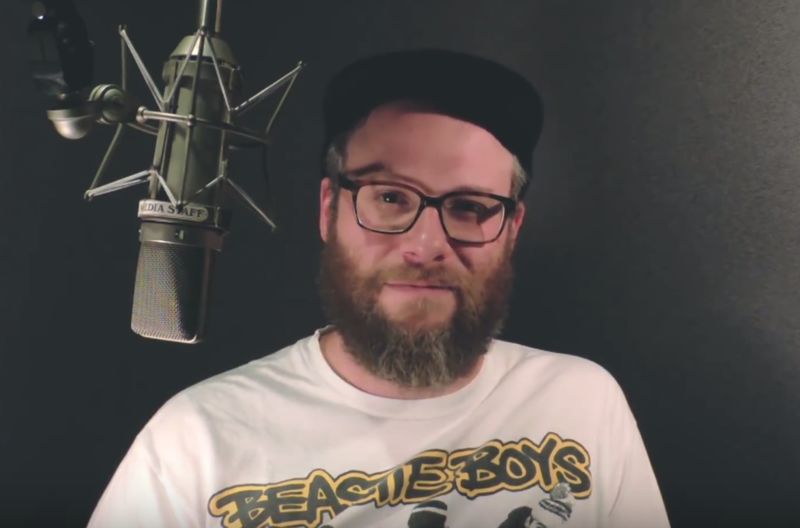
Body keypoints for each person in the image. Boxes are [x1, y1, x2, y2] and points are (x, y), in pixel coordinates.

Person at [89, 49, 670, 528]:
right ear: (329, 209)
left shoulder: (583, 404)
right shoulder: (196, 442)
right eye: (390, 197)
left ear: (512, 229)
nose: (425, 245)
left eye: (470, 207)